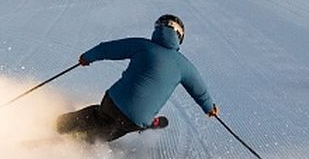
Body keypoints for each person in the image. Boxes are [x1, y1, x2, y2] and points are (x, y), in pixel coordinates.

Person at [56, 14, 218, 143]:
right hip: (136, 120)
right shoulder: (185, 66)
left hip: (114, 102)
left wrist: (88, 57)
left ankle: (60, 125)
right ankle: (86, 140)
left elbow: (108, 49)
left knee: (98, 115)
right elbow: (200, 91)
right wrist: (209, 108)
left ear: (157, 30)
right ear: (179, 37)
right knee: (110, 131)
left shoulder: (142, 45)